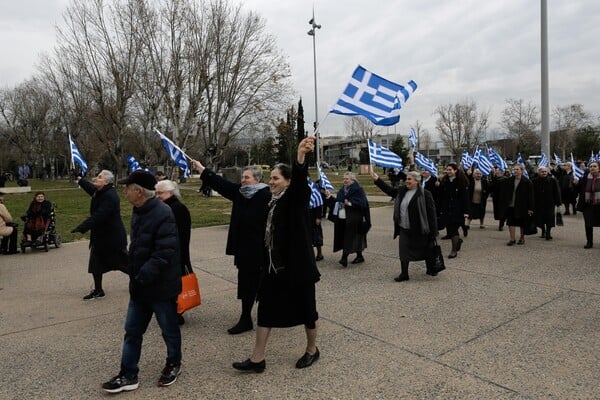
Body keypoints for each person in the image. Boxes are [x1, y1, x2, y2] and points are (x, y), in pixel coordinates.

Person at [232, 136, 320, 373]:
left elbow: (301, 184)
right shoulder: (271, 202)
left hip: (297, 269)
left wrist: (301, 156)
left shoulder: (295, 200)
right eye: (270, 178)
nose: (270, 182)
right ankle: (257, 358)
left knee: (308, 313)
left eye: (275, 178)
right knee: (266, 312)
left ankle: (312, 349)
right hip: (273, 269)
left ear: (288, 182)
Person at [102, 170, 182, 393]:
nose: (124, 191)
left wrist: (143, 274)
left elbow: (164, 251)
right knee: (132, 331)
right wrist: (127, 262)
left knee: (169, 329)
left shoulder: (163, 213)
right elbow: (139, 245)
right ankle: (128, 374)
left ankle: (174, 363)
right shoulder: (138, 210)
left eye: (128, 188)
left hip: (160, 286)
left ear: (139, 192)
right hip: (140, 285)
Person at [191, 160, 270, 335]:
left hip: (262, 250)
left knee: (266, 284)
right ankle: (245, 317)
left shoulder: (266, 195)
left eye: (247, 177)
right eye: (242, 177)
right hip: (244, 249)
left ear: (257, 179)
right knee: (246, 284)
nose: (243, 180)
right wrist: (202, 169)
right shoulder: (240, 193)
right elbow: (220, 184)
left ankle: (270, 315)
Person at [371, 169, 438, 281]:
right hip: (404, 227)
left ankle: (431, 268)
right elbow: (390, 191)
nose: (406, 181)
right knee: (403, 251)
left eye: (409, 179)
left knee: (426, 249)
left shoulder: (425, 194)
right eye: (406, 179)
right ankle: (404, 274)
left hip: (420, 228)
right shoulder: (402, 191)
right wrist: (377, 180)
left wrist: (433, 231)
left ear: (417, 181)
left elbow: (431, 214)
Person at [72, 170, 128, 300]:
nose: (96, 178)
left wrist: (82, 227)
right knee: (96, 264)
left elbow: (99, 216)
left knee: (123, 264)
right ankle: (98, 290)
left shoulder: (110, 196)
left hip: (112, 238)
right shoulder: (101, 191)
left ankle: (141, 281)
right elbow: (91, 189)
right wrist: (79, 179)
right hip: (100, 238)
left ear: (107, 181)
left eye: (99, 177)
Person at [155, 179, 191, 325]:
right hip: (166, 252)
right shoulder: (163, 207)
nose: (157, 196)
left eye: (160, 193)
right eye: (156, 192)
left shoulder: (177, 208)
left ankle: (177, 313)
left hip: (176, 254)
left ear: (170, 193)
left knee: (175, 285)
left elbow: (181, 235)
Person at [331, 171, 370, 267]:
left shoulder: (358, 189)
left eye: (346, 179)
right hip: (343, 217)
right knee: (352, 237)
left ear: (352, 180)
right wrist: (329, 197)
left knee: (351, 237)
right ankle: (360, 256)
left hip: (355, 218)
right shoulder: (342, 189)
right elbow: (338, 200)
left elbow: (363, 203)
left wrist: (350, 203)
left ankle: (344, 258)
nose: (344, 180)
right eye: (343, 178)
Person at [436, 163, 470, 258]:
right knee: (451, 230)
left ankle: (454, 250)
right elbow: (440, 196)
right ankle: (458, 241)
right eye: (447, 169)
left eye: (450, 169)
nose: (448, 171)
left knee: (453, 230)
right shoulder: (445, 181)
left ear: (455, 171)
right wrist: (438, 185)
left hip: (457, 211)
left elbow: (465, 198)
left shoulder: (461, 182)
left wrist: (466, 212)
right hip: (446, 210)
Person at [498, 164, 534, 246]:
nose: (515, 171)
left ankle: (522, 238)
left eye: (517, 169)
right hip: (511, 205)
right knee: (511, 222)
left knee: (522, 223)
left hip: (522, 206)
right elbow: (504, 193)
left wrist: (530, 208)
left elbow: (531, 196)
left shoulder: (527, 182)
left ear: (522, 171)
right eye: (514, 169)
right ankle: (512, 239)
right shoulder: (509, 180)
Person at [575, 161, 600, 248]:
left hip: (599, 205)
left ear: (599, 168)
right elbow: (579, 190)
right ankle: (589, 242)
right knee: (588, 224)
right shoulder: (585, 178)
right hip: (588, 205)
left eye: (595, 166)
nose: (592, 168)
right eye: (591, 166)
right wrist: (576, 184)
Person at [532, 166, 562, 240]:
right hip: (538, 203)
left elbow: (556, 192)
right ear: (539, 172)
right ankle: (543, 230)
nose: (544, 173)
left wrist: (558, 203)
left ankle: (548, 232)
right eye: (542, 172)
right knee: (540, 218)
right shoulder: (534, 181)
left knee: (549, 218)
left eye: (545, 172)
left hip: (550, 203)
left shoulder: (552, 180)